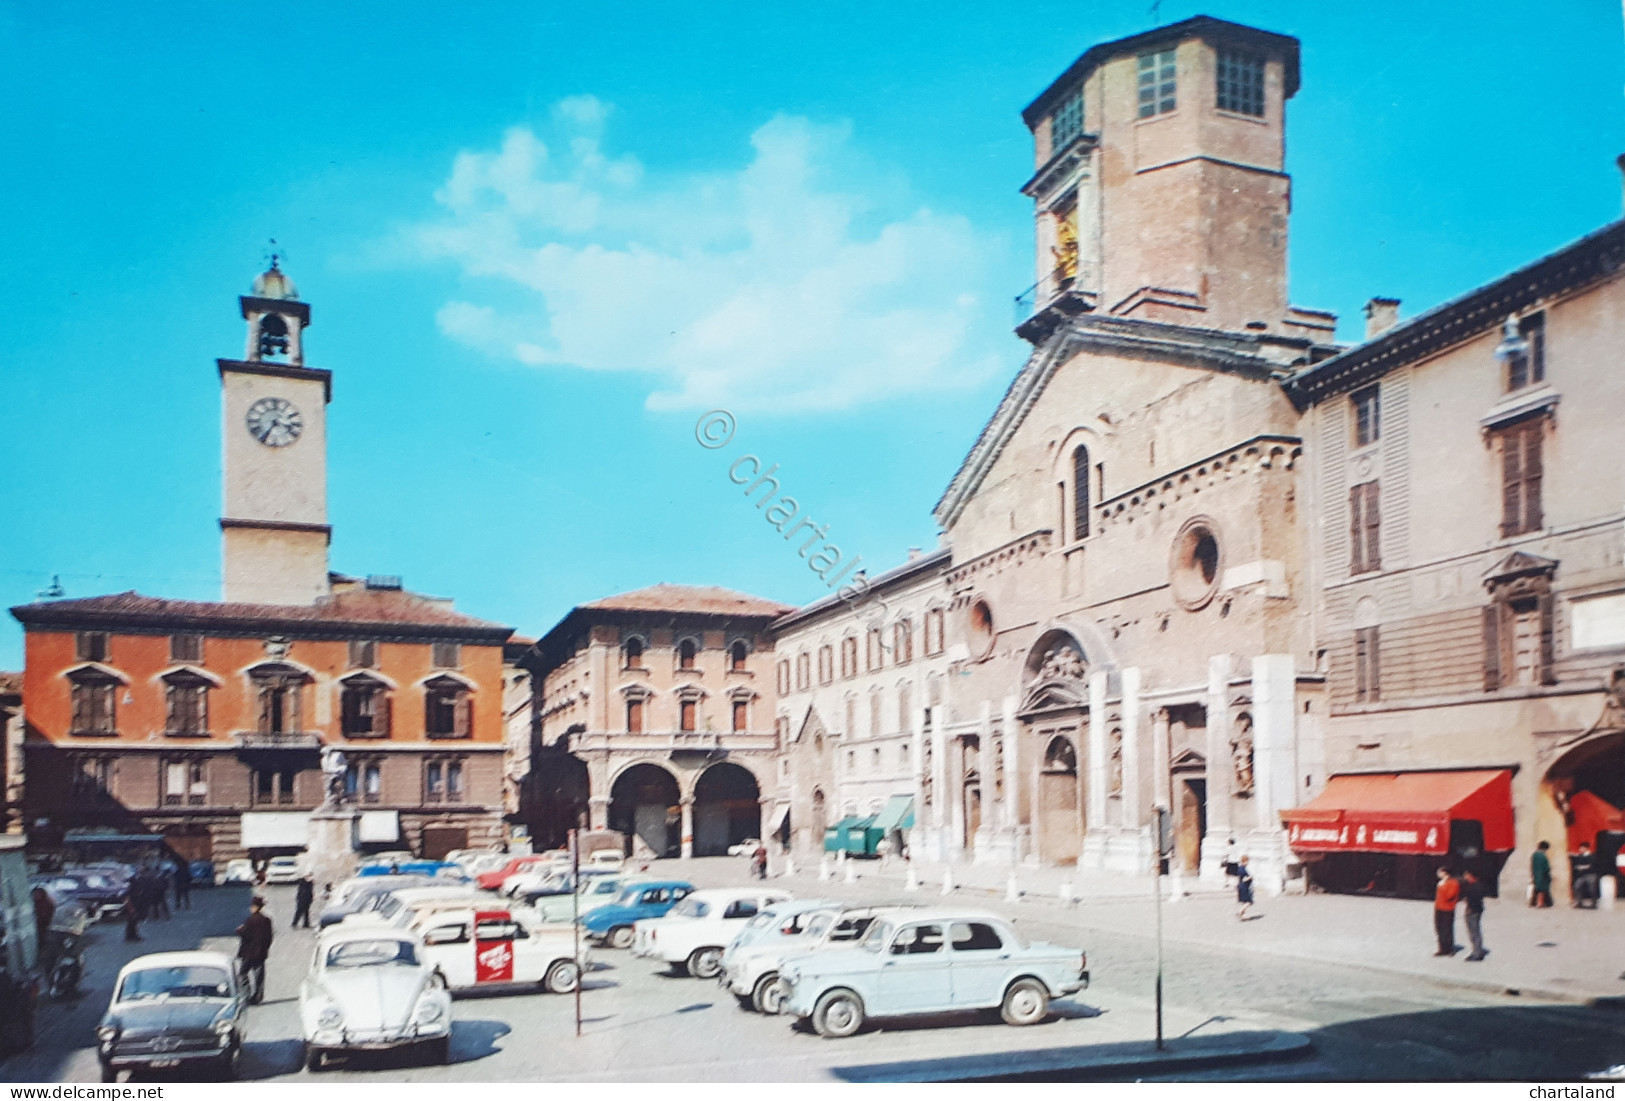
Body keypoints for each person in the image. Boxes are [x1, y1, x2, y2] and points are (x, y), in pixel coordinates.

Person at [236, 896, 274, 1004]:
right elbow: (269, 937)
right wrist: (265, 948)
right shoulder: (266, 920)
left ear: (255, 907)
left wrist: (239, 930)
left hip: (248, 953)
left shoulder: (250, 920)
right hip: (260, 953)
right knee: (259, 976)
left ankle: (246, 994)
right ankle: (257, 997)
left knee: (242, 973)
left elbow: (246, 934)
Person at [1461, 869, 1489, 961]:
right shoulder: (1471, 885)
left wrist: (1470, 908)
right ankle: (1475, 950)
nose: (1465, 877)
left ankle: (1477, 953)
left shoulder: (1476, 886)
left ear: (1471, 876)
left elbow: (1476, 899)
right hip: (1472, 909)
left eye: (1466, 875)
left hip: (1474, 911)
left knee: (1474, 931)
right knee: (1472, 932)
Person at [1433, 866, 1461, 956]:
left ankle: (1450, 949)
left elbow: (1449, 896)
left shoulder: (1453, 883)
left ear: (1445, 873)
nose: (1438, 874)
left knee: (1447, 929)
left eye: (1440, 872)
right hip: (1439, 908)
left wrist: (1442, 887)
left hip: (1448, 909)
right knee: (1439, 928)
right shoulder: (1441, 882)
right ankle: (1442, 948)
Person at [1571, 843, 1600, 909]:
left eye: (1582, 848)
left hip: (1591, 874)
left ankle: (1594, 903)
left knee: (1592, 889)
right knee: (1577, 887)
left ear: (1586, 848)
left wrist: (1583, 867)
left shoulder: (1592, 856)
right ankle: (1579, 902)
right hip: (1581, 875)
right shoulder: (1580, 856)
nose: (1580, 849)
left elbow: (1592, 865)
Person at [1531, 841, 1554, 907]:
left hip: (1536, 874)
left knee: (1538, 889)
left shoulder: (1535, 855)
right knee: (1543, 890)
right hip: (1543, 876)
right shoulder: (1543, 856)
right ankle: (1540, 903)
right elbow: (1546, 867)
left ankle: (1534, 902)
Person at [1234, 855, 1255, 920]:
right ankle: (1240, 911)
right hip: (1244, 887)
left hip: (1241, 886)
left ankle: (1243, 916)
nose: (1248, 862)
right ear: (1244, 861)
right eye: (1247, 861)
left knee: (1244, 901)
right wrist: (1250, 877)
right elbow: (1244, 879)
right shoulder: (1242, 869)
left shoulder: (1240, 868)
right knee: (1249, 902)